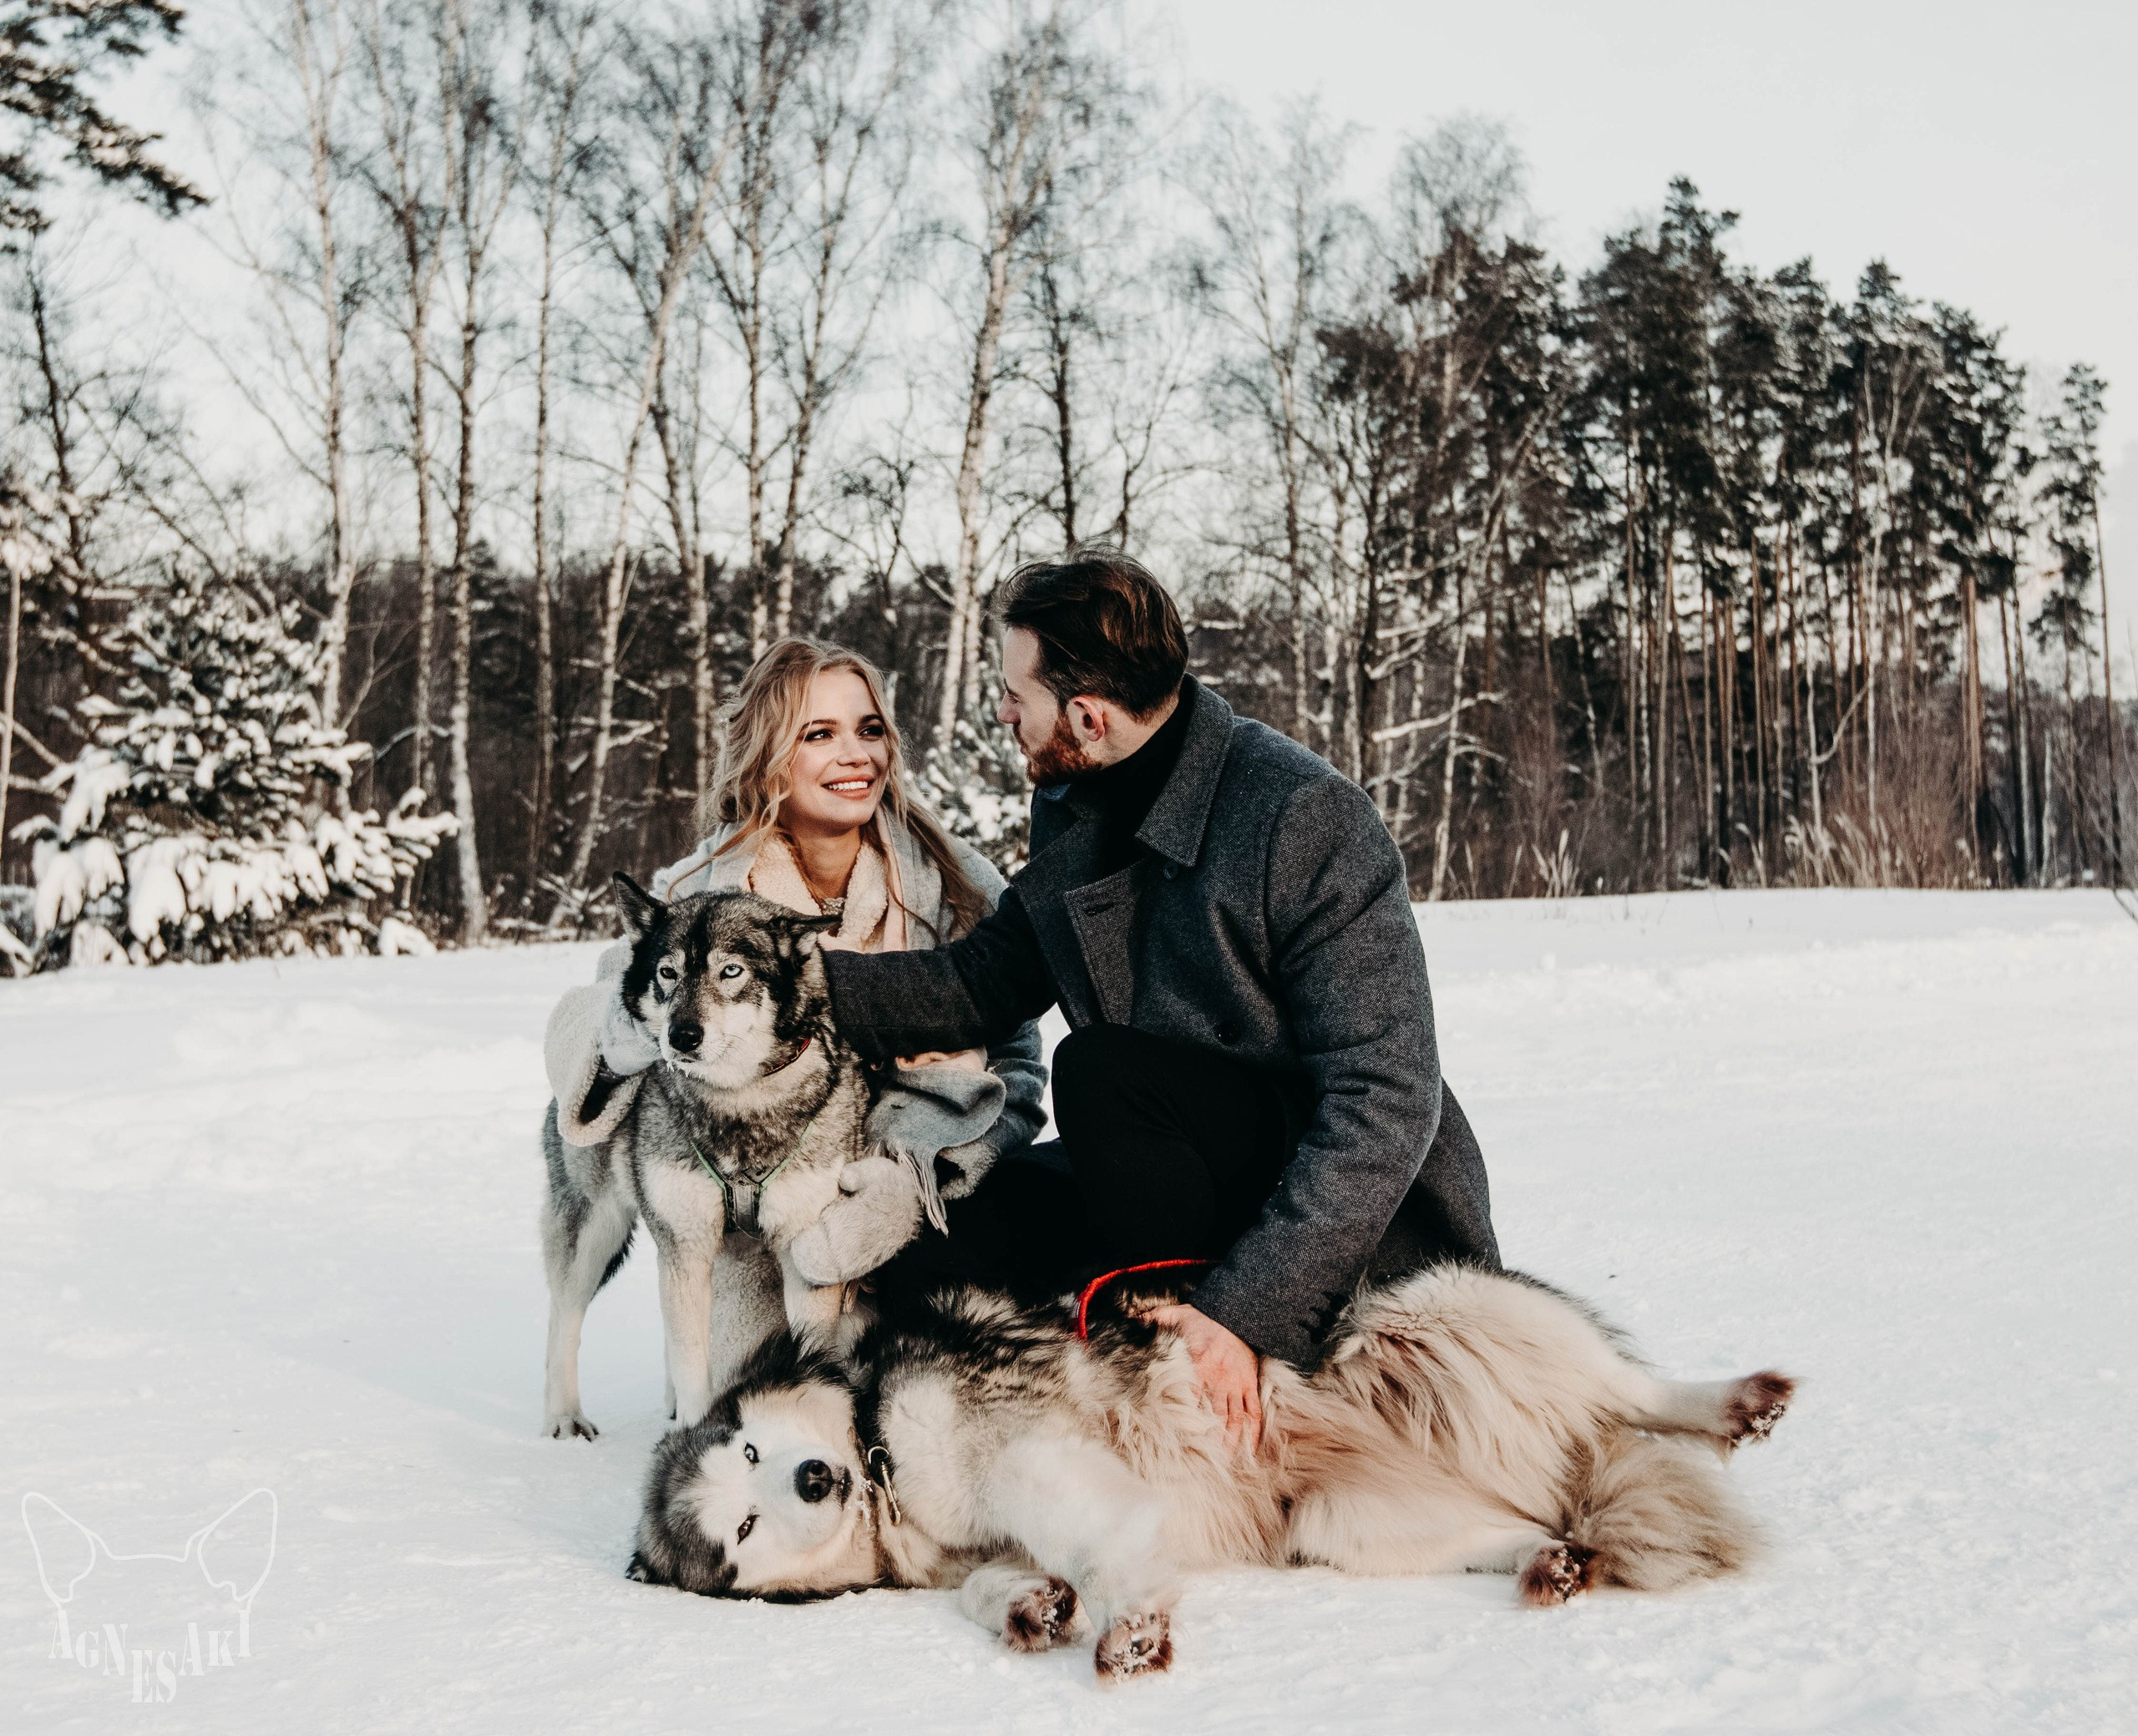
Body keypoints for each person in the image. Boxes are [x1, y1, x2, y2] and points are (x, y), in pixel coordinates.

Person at [819, 550, 1501, 1452]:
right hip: (1161, 1167)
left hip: (1347, 1221)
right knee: (948, 1238)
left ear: (1087, 716)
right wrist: (791, 983)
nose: (1004, 714)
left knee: (1100, 1072)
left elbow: (1386, 1100)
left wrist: (1248, 1308)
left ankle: (1171, 1355)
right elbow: (982, 980)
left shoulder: (1302, 817)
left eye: (1014, 695)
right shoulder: (1078, 801)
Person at [543, 639, 1048, 1300]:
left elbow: (1017, 1064)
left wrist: (917, 1179)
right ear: (768, 757)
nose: (857, 755)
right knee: (770, 1366)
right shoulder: (701, 891)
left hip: (925, 1203)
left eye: (870, 730)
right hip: (756, 1224)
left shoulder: (955, 882)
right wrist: (656, 1026)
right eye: (820, 734)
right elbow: (602, 1024)